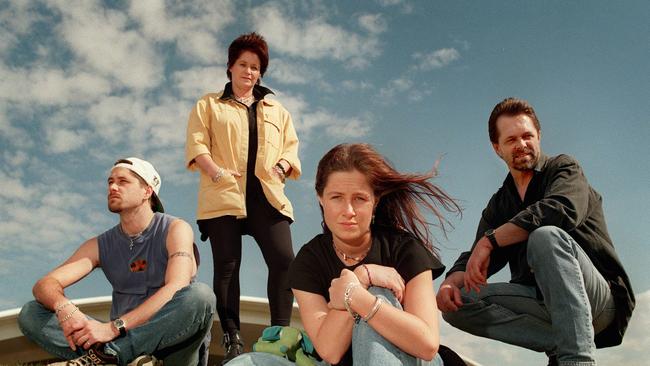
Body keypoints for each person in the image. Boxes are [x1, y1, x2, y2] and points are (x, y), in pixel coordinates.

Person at [436, 98, 635, 366]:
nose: (522, 144)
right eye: (511, 140)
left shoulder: (564, 169)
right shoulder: (500, 204)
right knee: (458, 303)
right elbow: (476, 257)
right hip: (541, 304)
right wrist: (450, 283)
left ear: (538, 136)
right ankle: (563, 344)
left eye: (527, 135)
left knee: (545, 236)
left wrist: (492, 239)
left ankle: (577, 360)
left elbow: (561, 209)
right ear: (497, 148)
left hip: (597, 301)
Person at [228, 143, 462, 366]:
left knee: (379, 293)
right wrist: (359, 278)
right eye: (336, 197)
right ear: (321, 198)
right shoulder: (309, 260)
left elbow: (427, 345)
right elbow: (329, 350)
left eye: (359, 199)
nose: (348, 211)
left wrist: (356, 294)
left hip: (415, 361)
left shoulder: (403, 248)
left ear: (375, 201)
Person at [17, 157, 216, 366]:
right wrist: (64, 307)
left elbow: (177, 285)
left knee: (200, 297)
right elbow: (45, 284)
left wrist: (112, 328)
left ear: (147, 191)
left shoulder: (176, 229)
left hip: (172, 346)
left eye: (123, 181)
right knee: (32, 313)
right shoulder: (99, 244)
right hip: (117, 338)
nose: (112, 187)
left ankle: (110, 357)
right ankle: (113, 358)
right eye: (110, 181)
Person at [185, 32, 301, 364]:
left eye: (255, 66)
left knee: (283, 260)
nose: (249, 71)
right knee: (227, 267)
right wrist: (216, 171)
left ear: (260, 72)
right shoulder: (208, 104)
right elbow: (197, 144)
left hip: (267, 196)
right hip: (223, 192)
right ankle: (232, 336)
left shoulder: (276, 109)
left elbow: (291, 147)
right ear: (230, 68)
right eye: (243, 65)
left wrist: (282, 165)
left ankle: (280, 335)